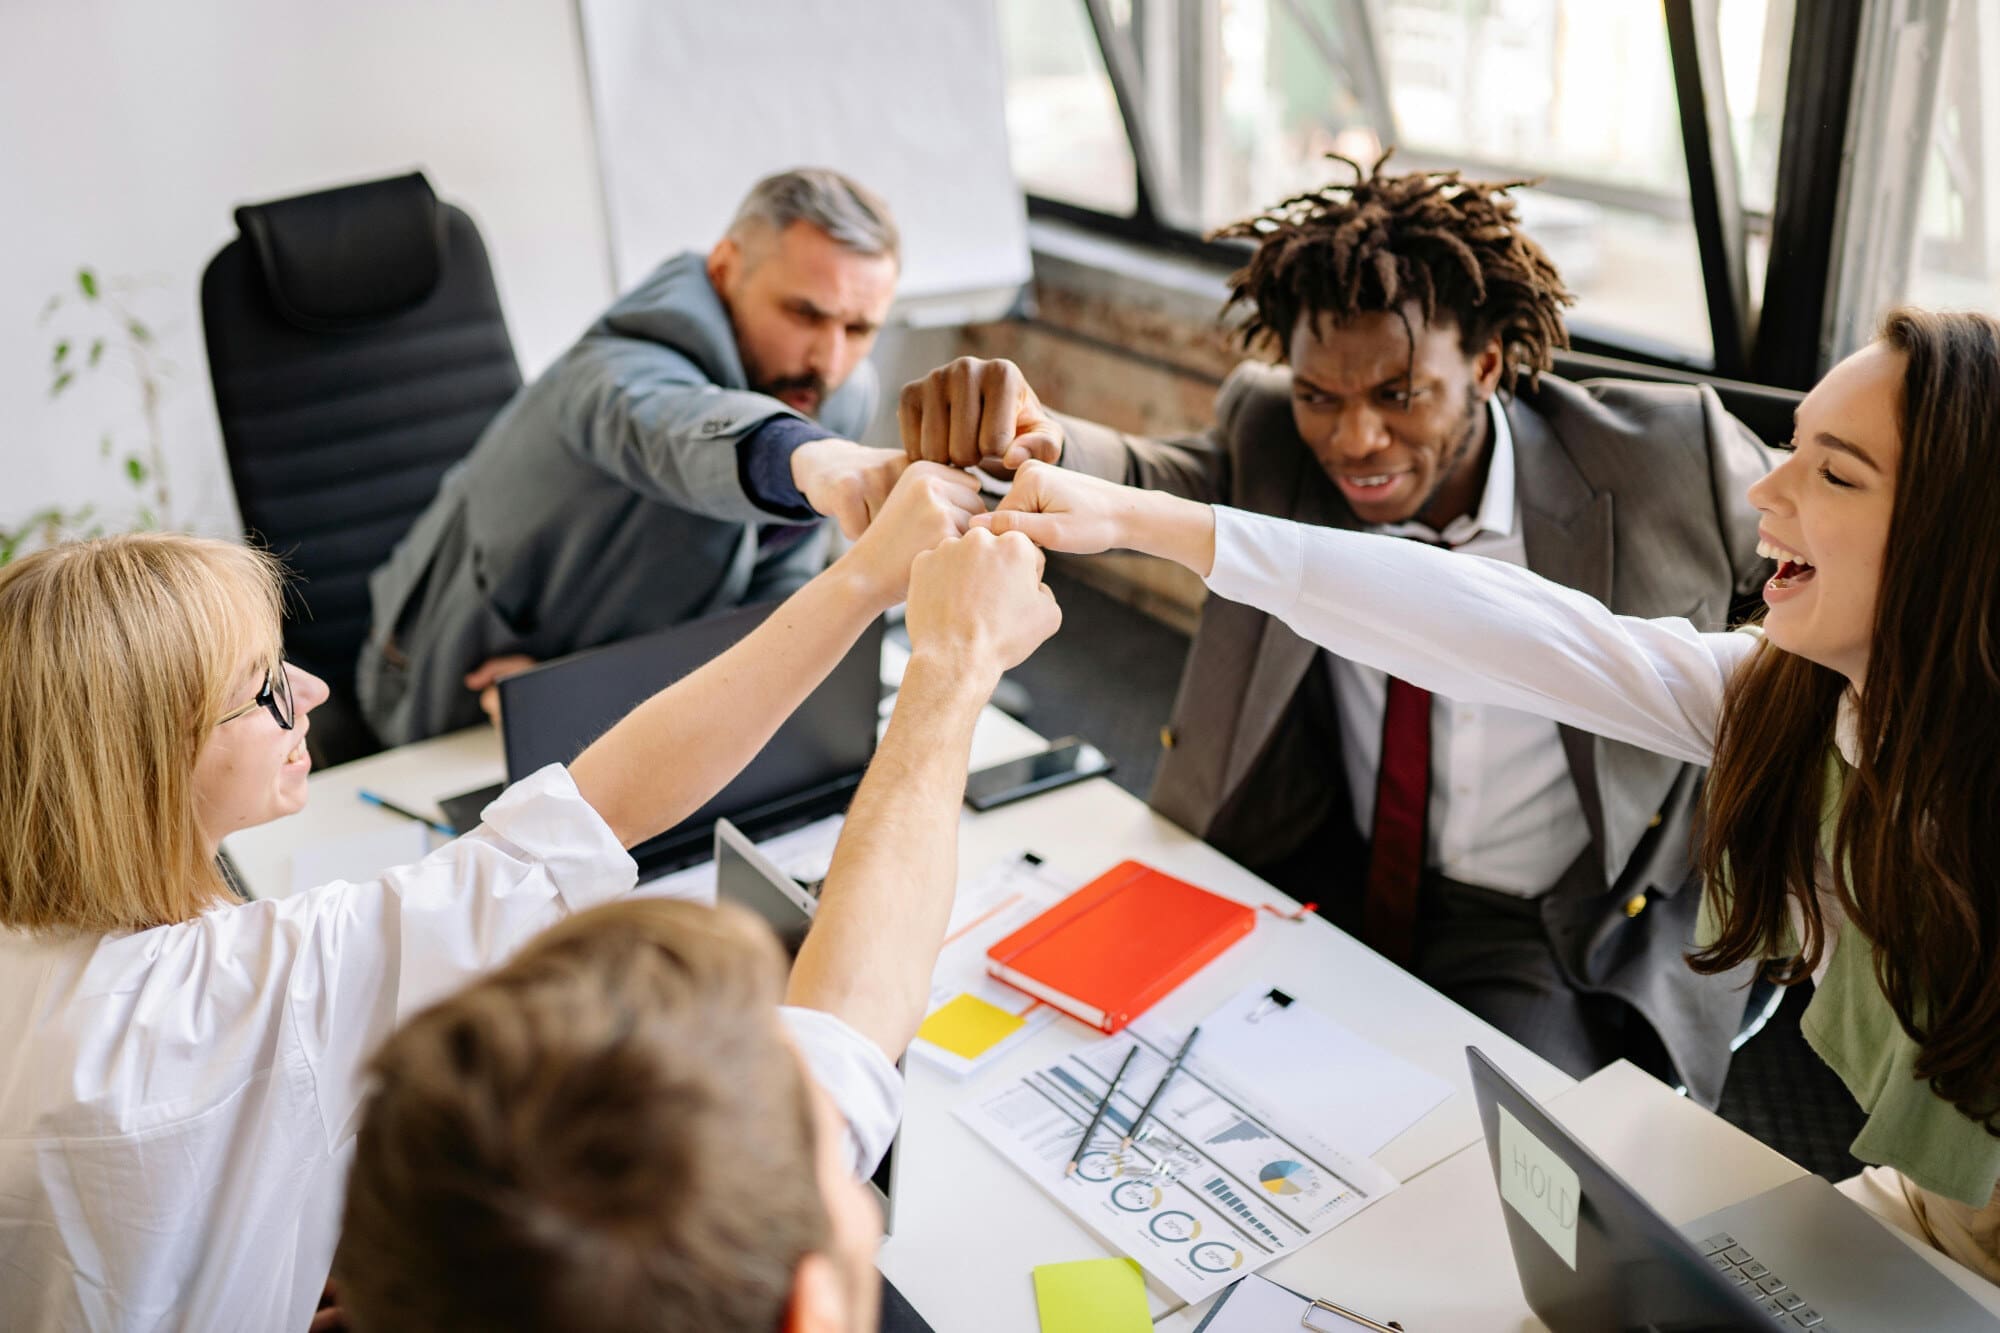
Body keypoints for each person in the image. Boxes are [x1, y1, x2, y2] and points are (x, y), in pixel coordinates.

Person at [972, 306, 2000, 1283]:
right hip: (1916, 1206)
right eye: (1789, 443)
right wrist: (1141, 518)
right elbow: (1499, 628)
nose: (1764, 491)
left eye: (1834, 472)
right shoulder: (1785, 704)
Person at [0, 463, 1049, 1331]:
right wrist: (936, 647)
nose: (311, 692)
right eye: (266, 688)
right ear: (141, 765)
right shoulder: (249, 995)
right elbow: (607, 815)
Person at [898, 155, 1775, 1101]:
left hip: (1554, 919)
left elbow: (1831, 599)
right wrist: (1044, 438)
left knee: (1502, 1167)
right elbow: (1149, 479)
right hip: (1328, 860)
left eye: (1398, 395)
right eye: (1321, 396)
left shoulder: (1667, 457)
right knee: (1131, 1079)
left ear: (1484, 365)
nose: (1354, 439)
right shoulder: (1272, 431)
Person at [333, 527, 1060, 1333]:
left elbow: (844, 1023)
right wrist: (956, 663)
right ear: (807, 1309)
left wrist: (881, 595)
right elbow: (860, 1002)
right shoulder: (756, 1213)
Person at [359, 167, 914, 745]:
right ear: (725, 270)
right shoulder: (614, 368)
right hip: (452, 685)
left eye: (859, 328)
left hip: (612, 691)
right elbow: (673, 427)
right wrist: (806, 458)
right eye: (804, 314)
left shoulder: (833, 395)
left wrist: (600, 692)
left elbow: (774, 597)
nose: (828, 360)